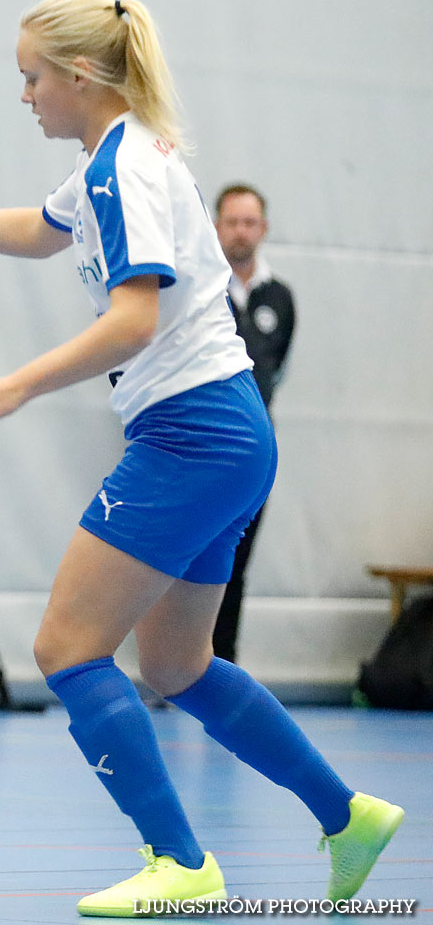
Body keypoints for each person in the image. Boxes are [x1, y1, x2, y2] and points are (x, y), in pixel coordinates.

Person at [0, 0, 401, 914]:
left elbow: (134, 320)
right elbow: (34, 231)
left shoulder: (124, 169)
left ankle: (178, 863)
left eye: (32, 77)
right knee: (176, 666)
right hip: (223, 432)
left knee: (67, 648)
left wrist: (18, 383)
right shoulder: (112, 159)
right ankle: (347, 817)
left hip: (192, 432)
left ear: (83, 74)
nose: (25, 96)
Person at [211, 183, 295, 662]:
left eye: (250, 222)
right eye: (232, 221)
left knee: (235, 559)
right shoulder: (198, 288)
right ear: (217, 225)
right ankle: (173, 667)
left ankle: (223, 665)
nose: (241, 232)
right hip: (202, 442)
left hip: (255, 448)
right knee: (187, 556)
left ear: (262, 228)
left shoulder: (279, 297)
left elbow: (276, 366)